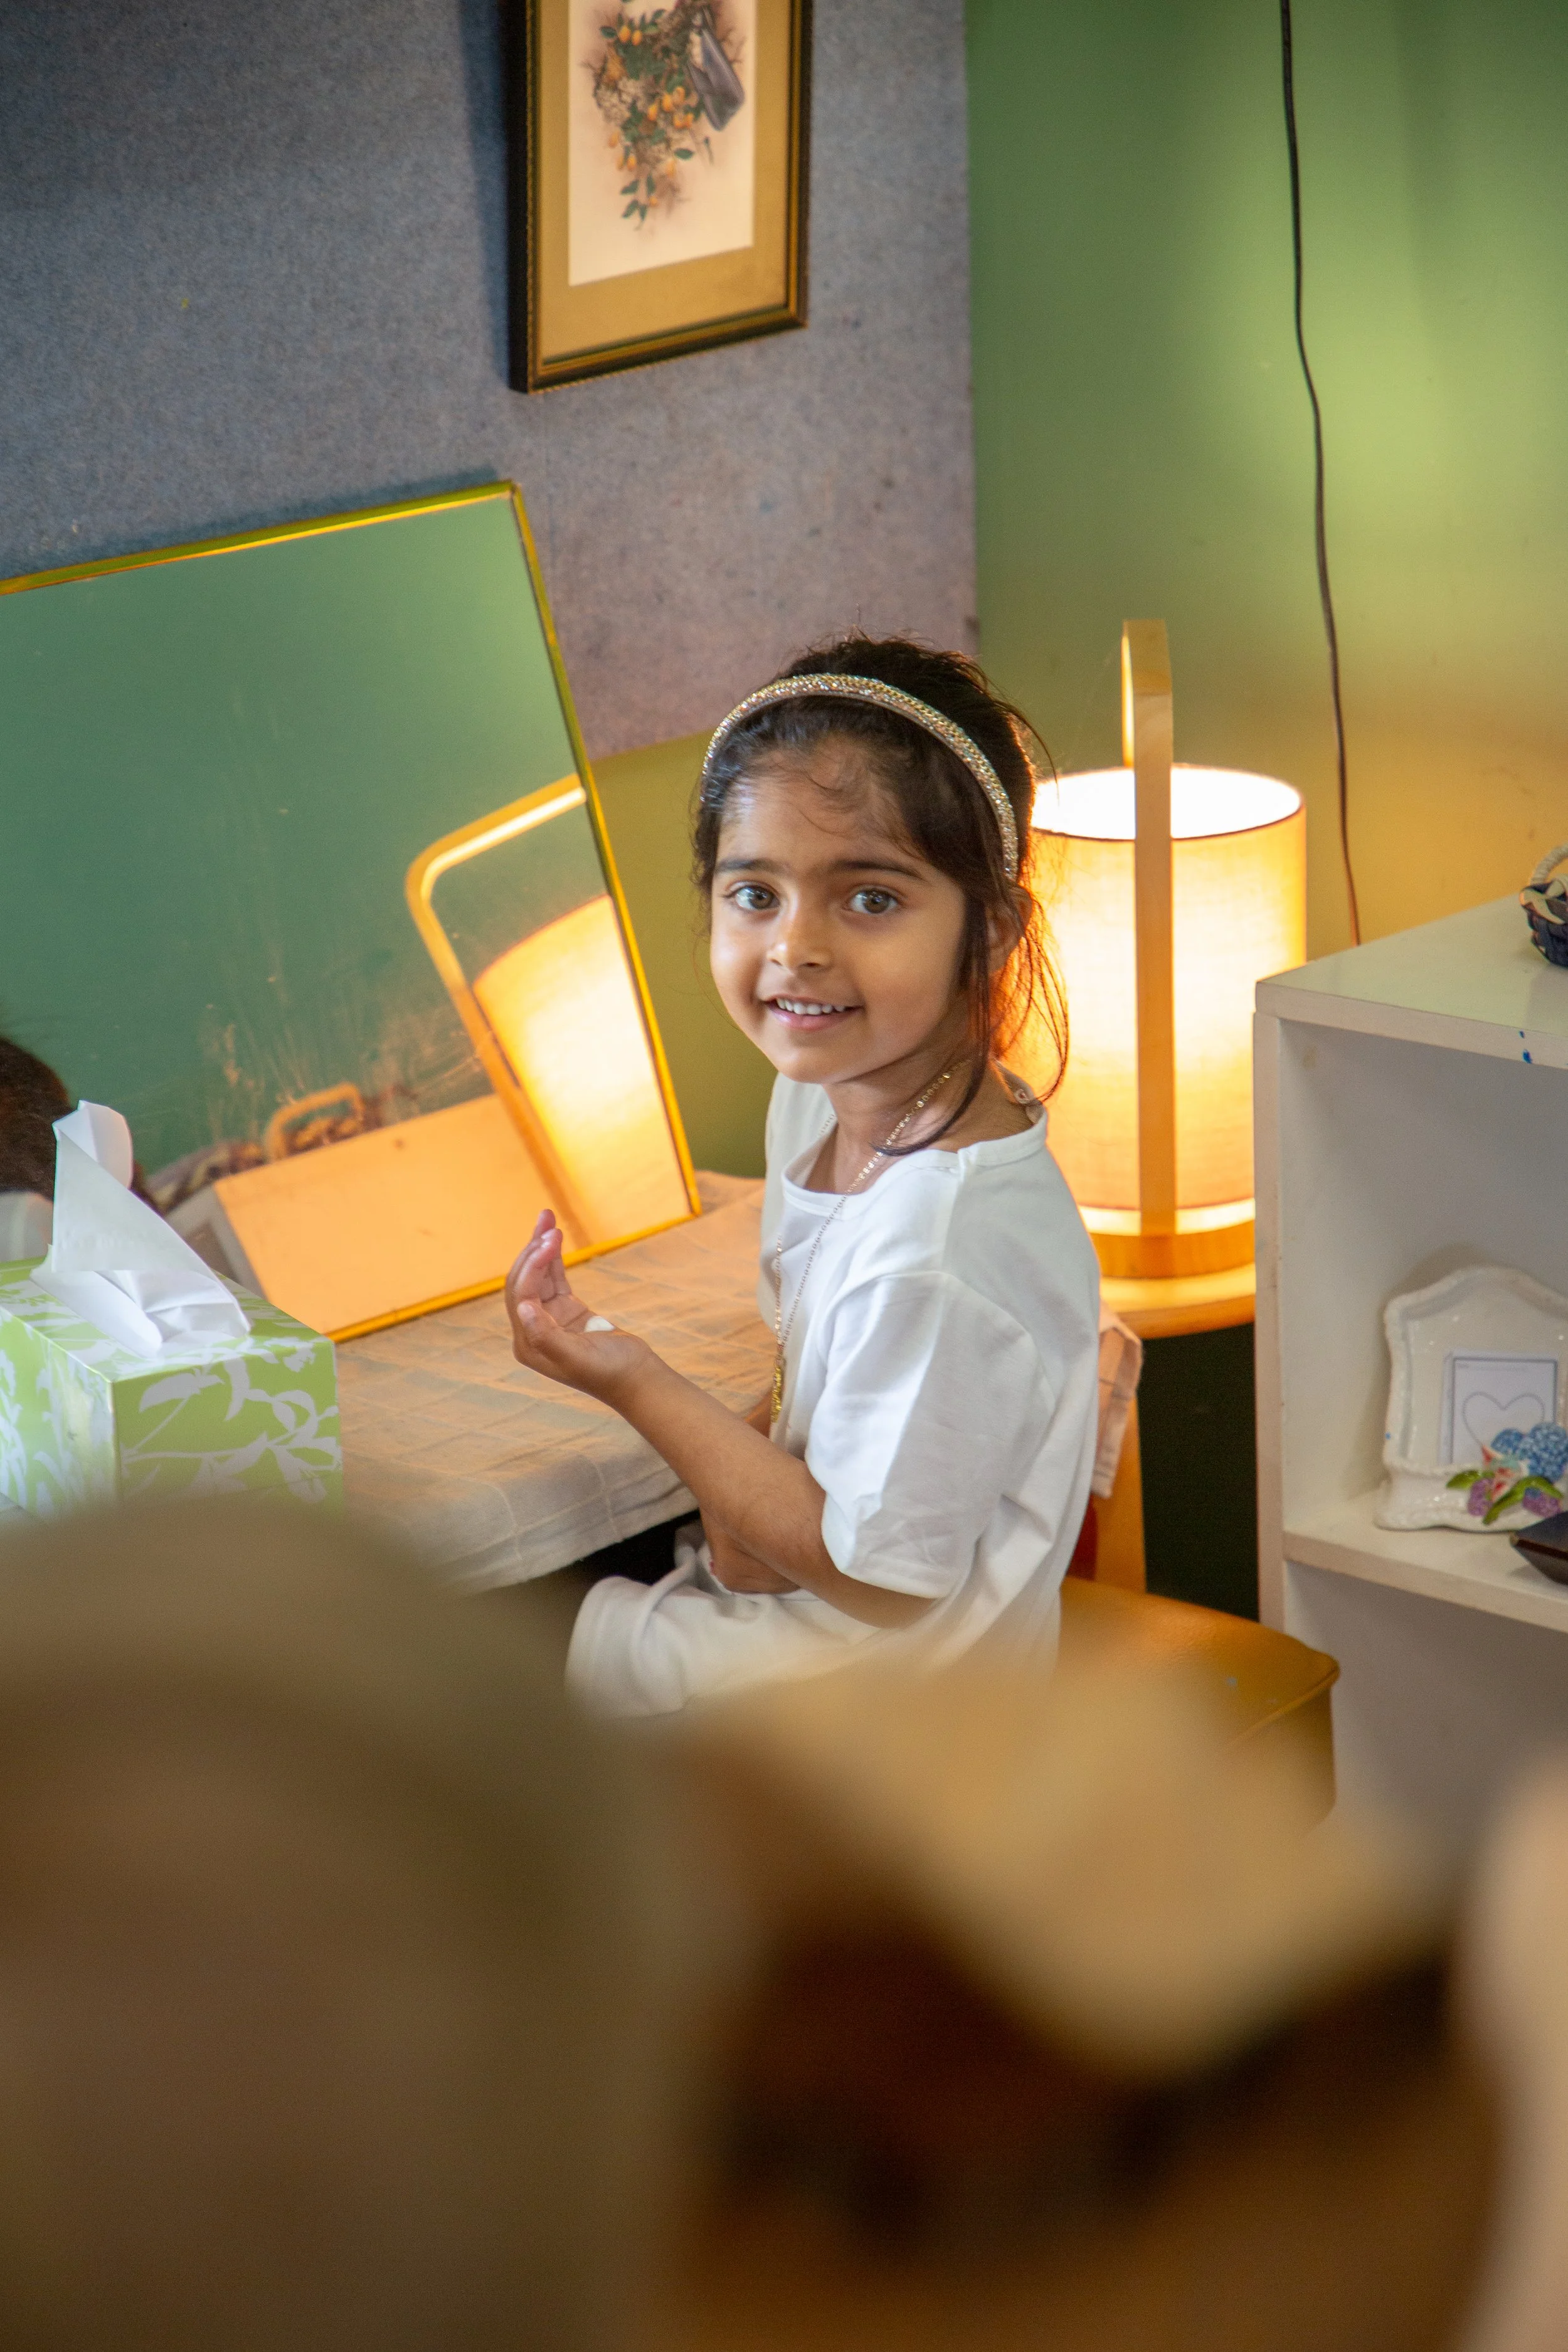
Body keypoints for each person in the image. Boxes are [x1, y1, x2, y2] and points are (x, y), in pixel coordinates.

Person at [507, 635, 1101, 1717]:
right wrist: (744, 1499)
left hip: (874, 1721)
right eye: (755, 894)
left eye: (870, 899)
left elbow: (869, 1576)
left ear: (993, 927)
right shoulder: (825, 1095)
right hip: (794, 1631)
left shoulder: (938, 1250)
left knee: (426, 1666)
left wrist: (628, 1375)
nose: (797, 949)